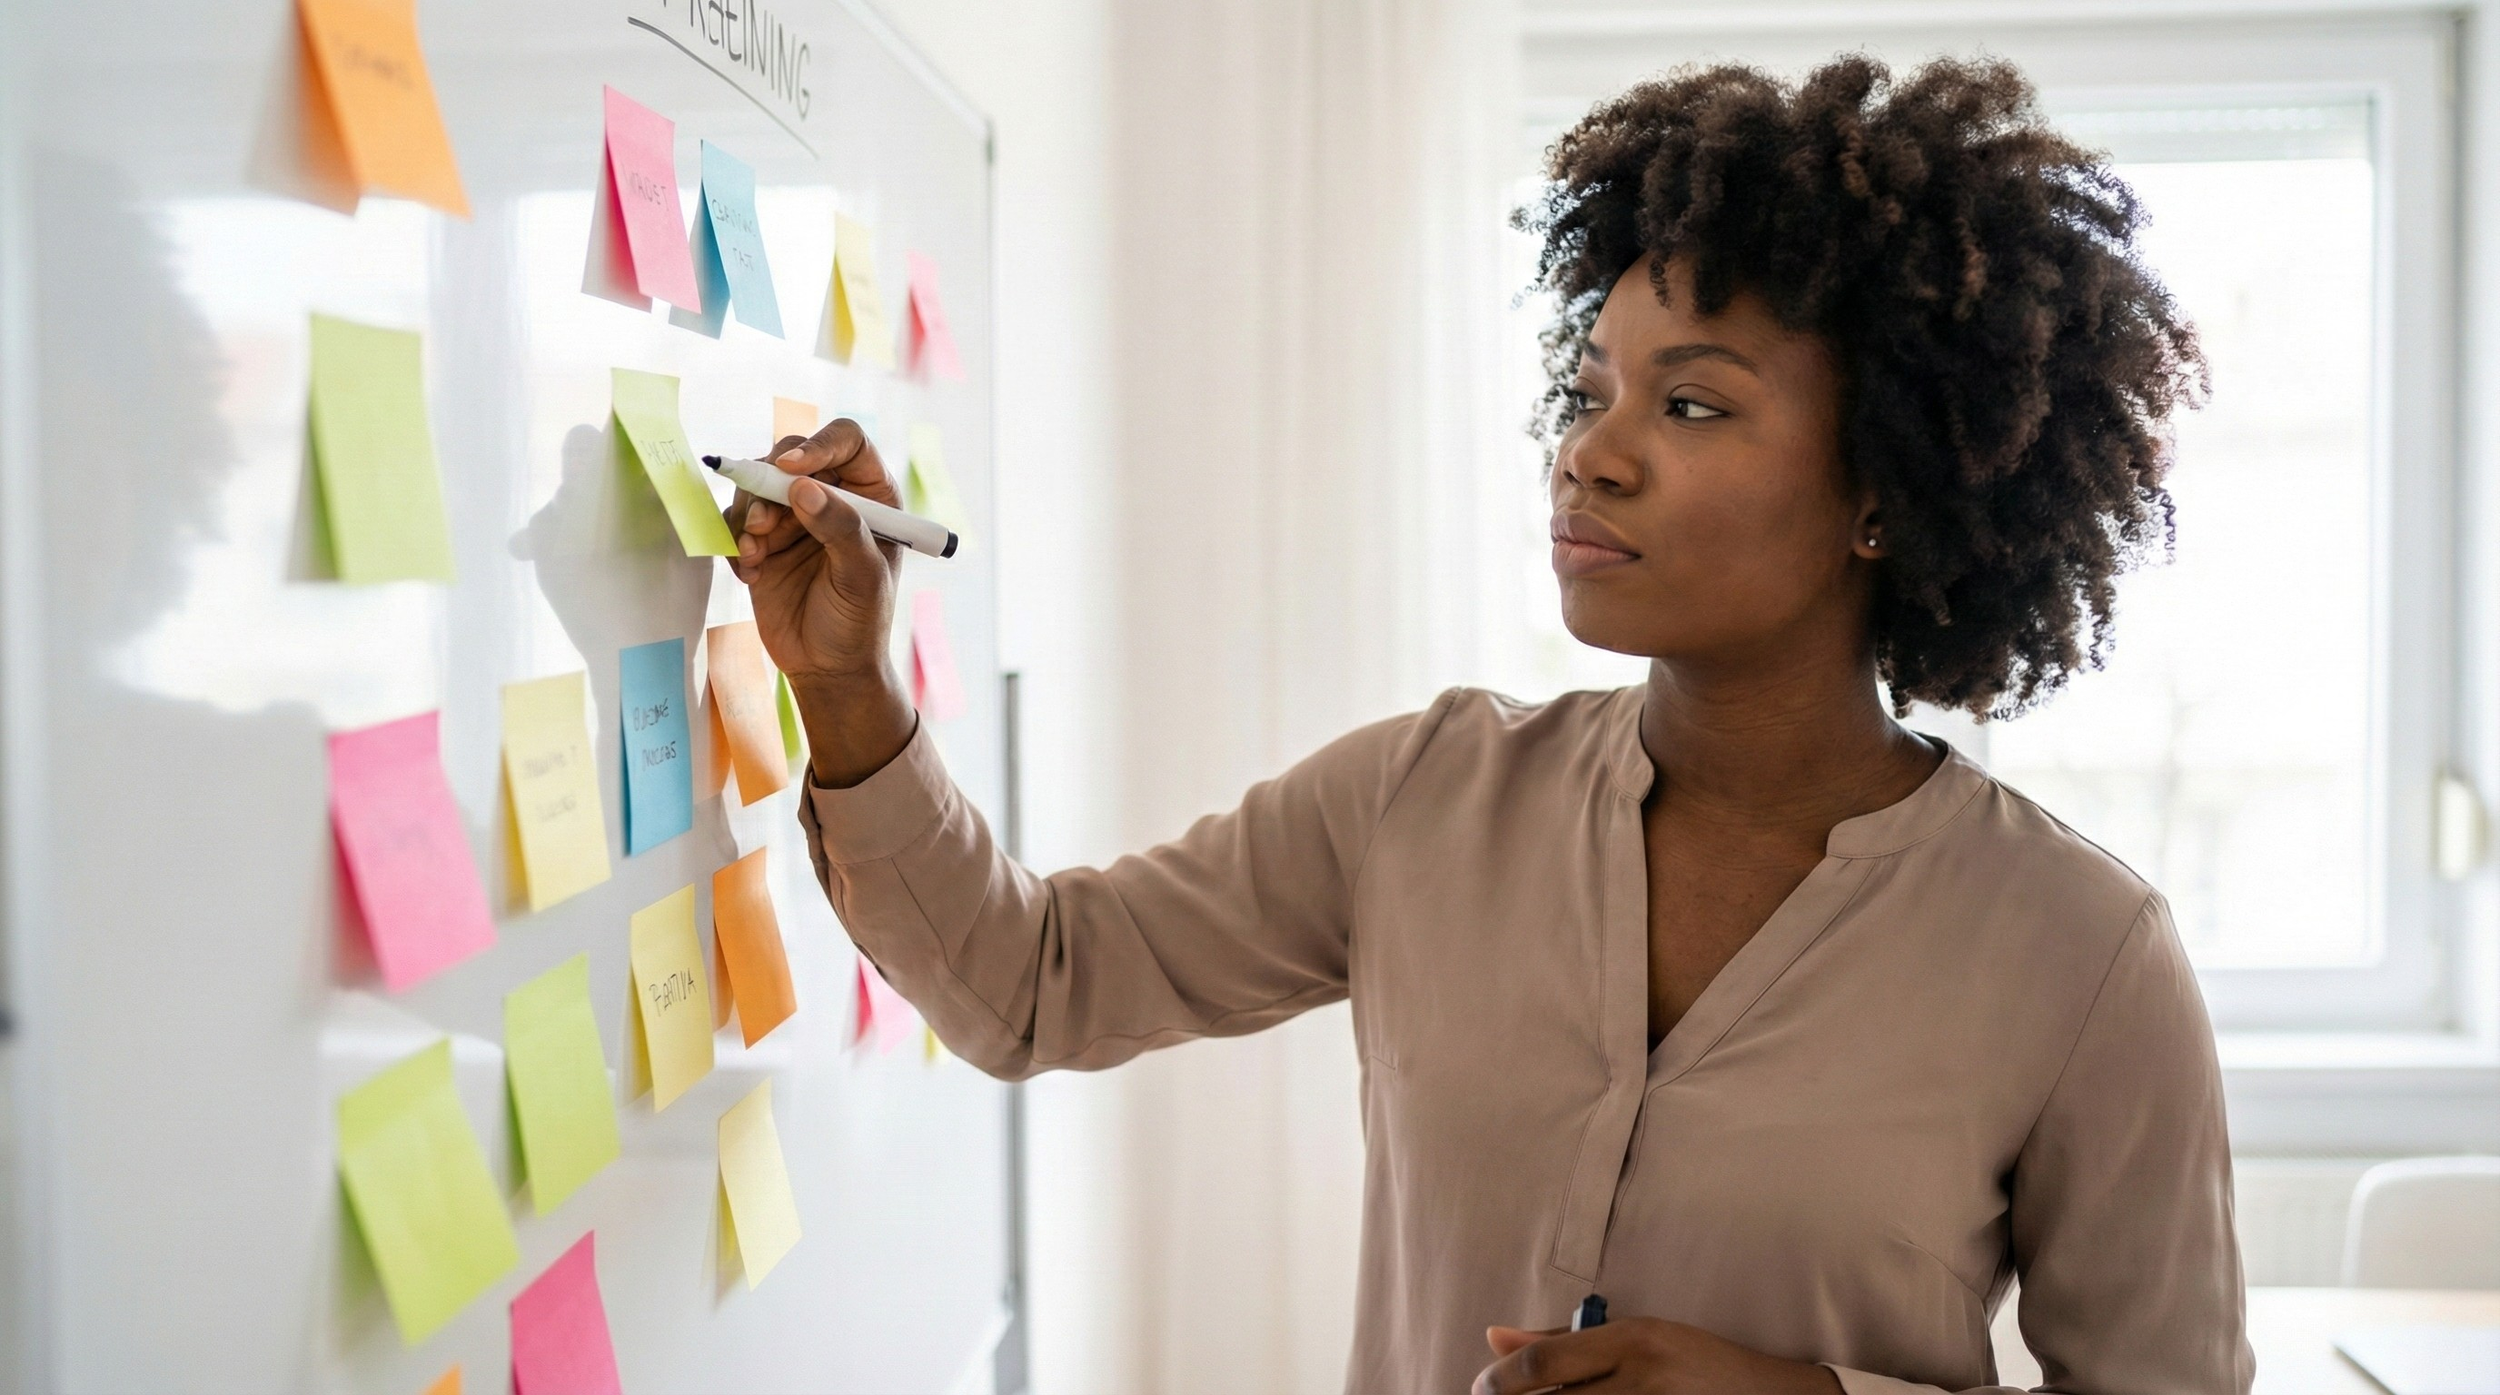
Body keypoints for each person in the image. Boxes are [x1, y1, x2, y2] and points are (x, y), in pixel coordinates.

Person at [726, 55, 2252, 1395]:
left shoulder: (2079, 954)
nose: (1592, 453)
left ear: (1883, 493)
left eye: (1693, 406)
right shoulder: (1422, 796)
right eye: (1592, 390)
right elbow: (1031, 984)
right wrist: (849, 686)